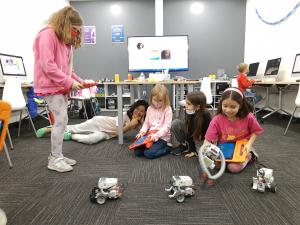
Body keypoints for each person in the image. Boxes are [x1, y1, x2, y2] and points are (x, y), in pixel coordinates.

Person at [33, 6, 85, 172]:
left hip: (60, 86)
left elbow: (69, 70)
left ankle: (58, 156)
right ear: (65, 24)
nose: (76, 34)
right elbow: (48, 66)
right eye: (74, 30)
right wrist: (69, 82)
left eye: (78, 31)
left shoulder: (65, 42)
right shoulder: (47, 35)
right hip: (50, 86)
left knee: (63, 121)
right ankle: (54, 159)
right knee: (61, 120)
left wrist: (80, 81)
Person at [204, 87, 264, 173]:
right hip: (224, 146)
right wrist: (208, 151)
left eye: (233, 107)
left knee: (233, 168)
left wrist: (249, 144)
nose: (228, 110)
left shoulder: (248, 116)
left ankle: (250, 156)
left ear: (240, 105)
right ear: (221, 104)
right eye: (225, 106)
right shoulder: (217, 119)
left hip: (241, 146)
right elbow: (207, 140)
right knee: (217, 166)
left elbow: (255, 131)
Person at [36, 100, 149, 144]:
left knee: (91, 140)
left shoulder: (138, 121)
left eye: (142, 111)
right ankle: (49, 129)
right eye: (137, 109)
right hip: (99, 122)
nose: (139, 112)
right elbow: (120, 132)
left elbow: (143, 134)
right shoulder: (125, 115)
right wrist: (130, 125)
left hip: (107, 134)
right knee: (75, 127)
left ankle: (70, 136)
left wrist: (143, 122)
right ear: (133, 108)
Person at [134, 84, 172, 159]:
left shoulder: (168, 109)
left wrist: (156, 135)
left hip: (162, 137)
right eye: (155, 100)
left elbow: (166, 127)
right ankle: (151, 147)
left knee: (149, 154)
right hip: (150, 135)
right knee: (137, 152)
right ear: (151, 98)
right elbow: (146, 123)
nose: (157, 103)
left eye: (160, 101)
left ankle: (168, 149)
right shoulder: (149, 109)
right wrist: (142, 132)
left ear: (165, 99)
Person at [170, 91, 212, 157]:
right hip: (192, 135)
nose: (186, 105)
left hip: (201, 138)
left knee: (203, 155)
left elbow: (208, 134)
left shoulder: (206, 115)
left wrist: (200, 146)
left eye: (188, 104)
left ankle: (195, 148)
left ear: (198, 107)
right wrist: (192, 149)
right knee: (175, 123)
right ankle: (185, 145)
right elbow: (189, 130)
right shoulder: (189, 110)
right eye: (186, 103)